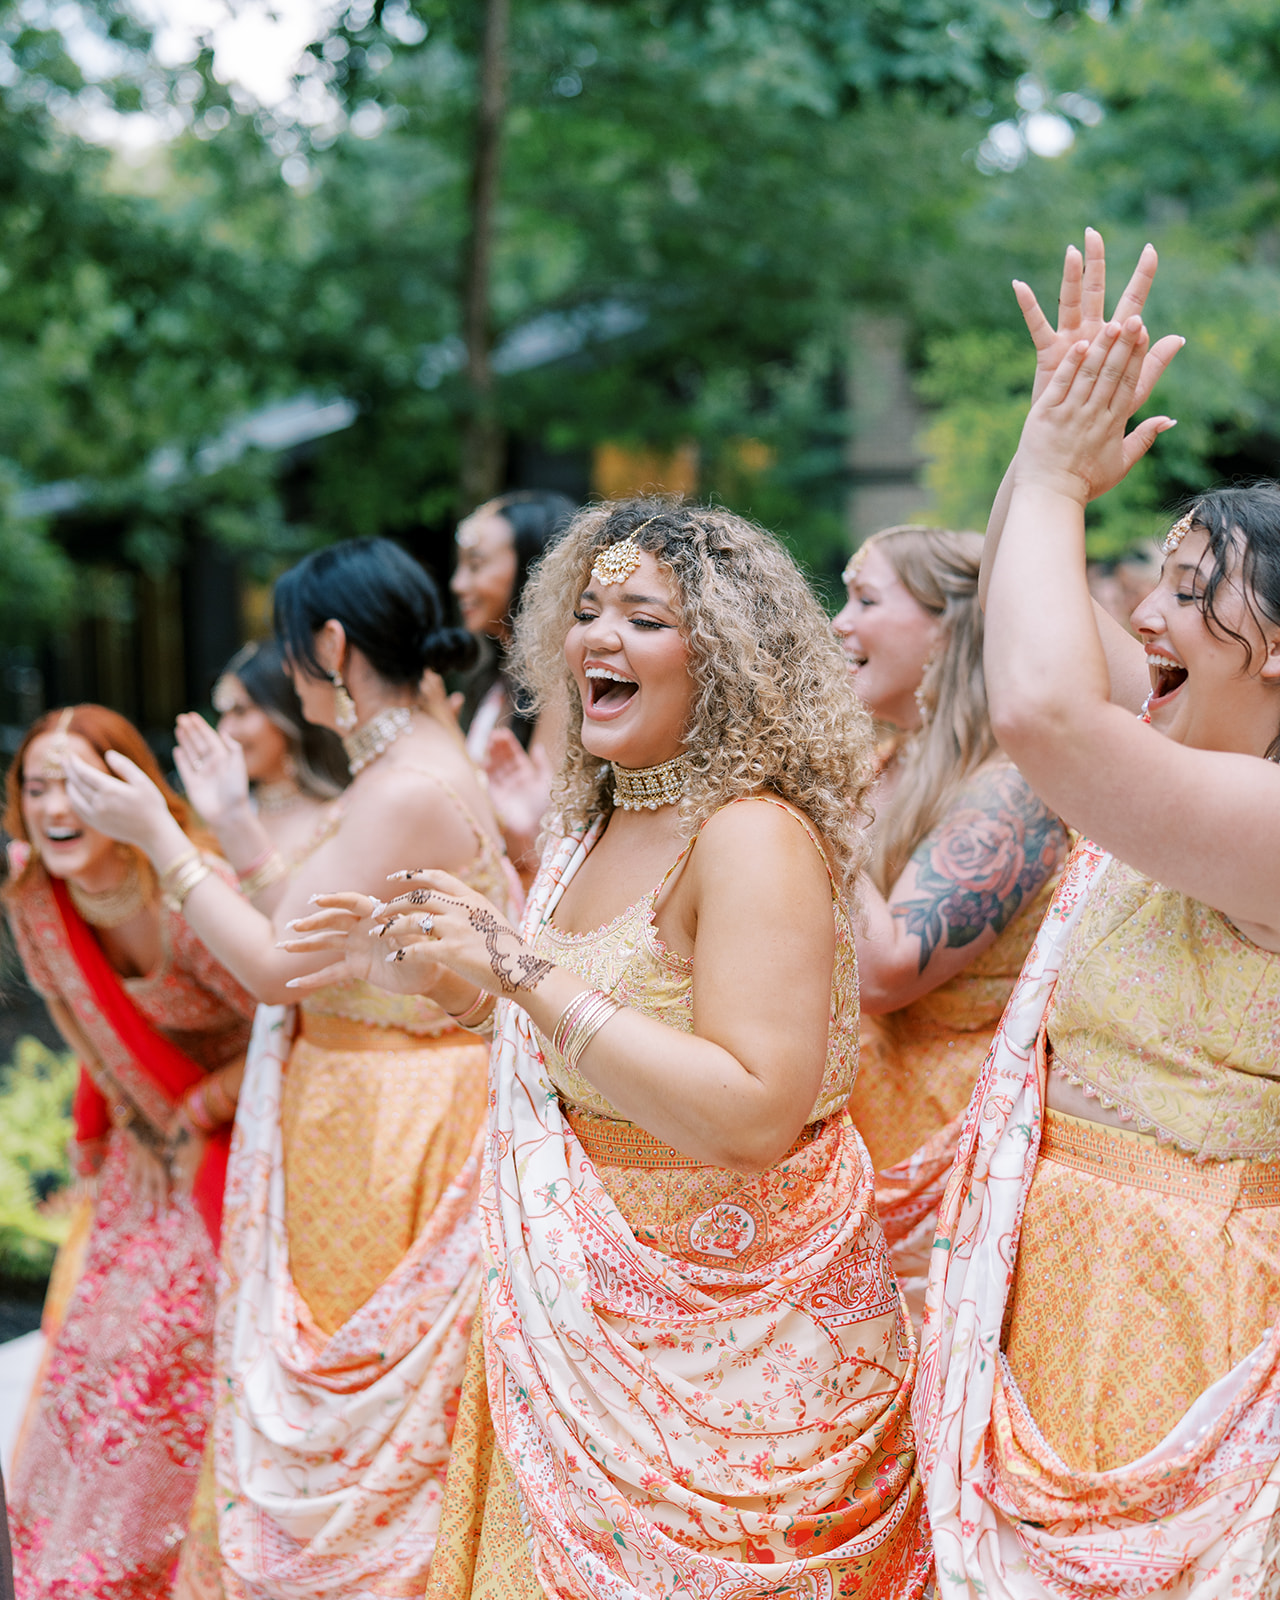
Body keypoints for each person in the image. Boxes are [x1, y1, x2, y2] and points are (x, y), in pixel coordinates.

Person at [285, 500, 933, 1597]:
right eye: (585, 610)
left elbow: (751, 1111)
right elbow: (569, 1050)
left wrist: (523, 970)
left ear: (723, 658)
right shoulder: (594, 821)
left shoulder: (750, 834)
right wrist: (423, 964)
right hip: (570, 1329)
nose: (597, 638)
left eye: (642, 617)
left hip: (737, 1358)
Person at [917, 235, 1280, 1595]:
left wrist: (1066, 476)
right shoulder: (1180, 772)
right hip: (1055, 1304)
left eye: (1191, 590)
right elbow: (1036, 636)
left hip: (1197, 1323)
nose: (1144, 609)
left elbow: (1040, 710)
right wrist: (1041, 439)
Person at [61, 538, 517, 1600]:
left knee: (361, 1434)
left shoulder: (406, 784)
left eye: (287, 648)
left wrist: (159, 840)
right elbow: (301, 925)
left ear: (330, 645)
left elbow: (273, 966)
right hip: (355, 1108)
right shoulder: (400, 767)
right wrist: (222, 817)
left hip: (390, 1120)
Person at [2, 704, 256, 1598]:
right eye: (35, 786)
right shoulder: (35, 899)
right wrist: (119, 1131)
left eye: (77, 782)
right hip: (150, 1143)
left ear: (128, 786)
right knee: (94, 1356)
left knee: (171, 1344)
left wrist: (200, 1111)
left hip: (252, 1138)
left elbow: (296, 1017)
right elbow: (78, 1018)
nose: (54, 805)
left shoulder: (193, 889)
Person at [832, 526, 1067, 1324]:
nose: (839, 623)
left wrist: (804, 796)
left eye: (865, 600)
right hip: (849, 1121)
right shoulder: (878, 759)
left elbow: (883, 971)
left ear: (951, 624)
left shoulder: (1011, 792)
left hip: (946, 1142)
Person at [448, 490, 575, 879]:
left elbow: (541, 826)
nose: (458, 584)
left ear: (535, 566)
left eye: (476, 564)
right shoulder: (494, 682)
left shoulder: (562, 681)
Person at [210, 638, 348, 870]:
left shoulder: (335, 819)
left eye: (241, 711)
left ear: (287, 715)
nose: (225, 730)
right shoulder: (218, 817)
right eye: (223, 714)